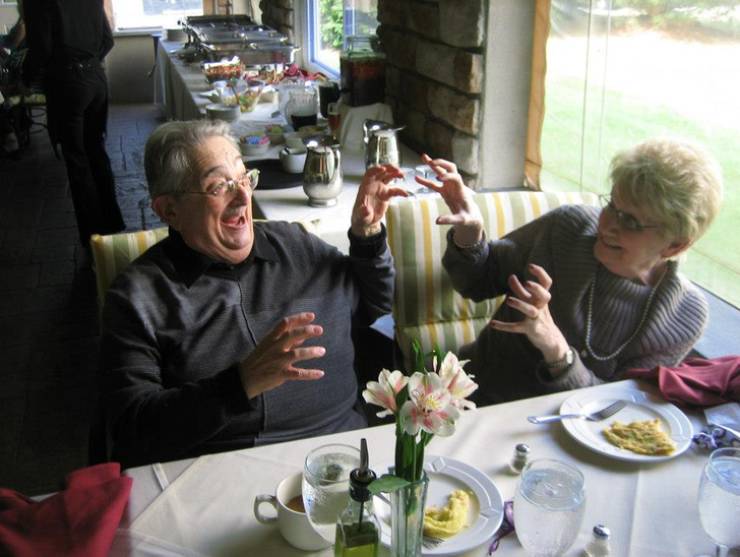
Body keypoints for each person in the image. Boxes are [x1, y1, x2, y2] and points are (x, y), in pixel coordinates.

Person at [100, 120, 408, 468]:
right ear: (169, 210)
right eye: (219, 186)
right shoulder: (139, 297)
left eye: (245, 178)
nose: (244, 197)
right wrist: (239, 384)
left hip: (344, 456)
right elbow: (131, 428)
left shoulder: (296, 244)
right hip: (220, 475)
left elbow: (377, 307)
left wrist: (367, 237)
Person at [416, 138, 723, 405]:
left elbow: (618, 409)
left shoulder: (683, 316)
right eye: (612, 205)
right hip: (474, 398)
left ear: (675, 245)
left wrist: (556, 348)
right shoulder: (569, 229)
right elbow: (478, 282)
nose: (608, 225)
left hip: (574, 443)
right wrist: (470, 233)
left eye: (631, 222)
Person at [22, 0, 125, 244]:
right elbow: (107, 41)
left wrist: (27, 78)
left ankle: (92, 237)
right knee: (97, 152)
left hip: (67, 84)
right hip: (96, 79)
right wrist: (87, 64)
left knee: (78, 162)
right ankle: (112, 223)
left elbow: (41, 48)